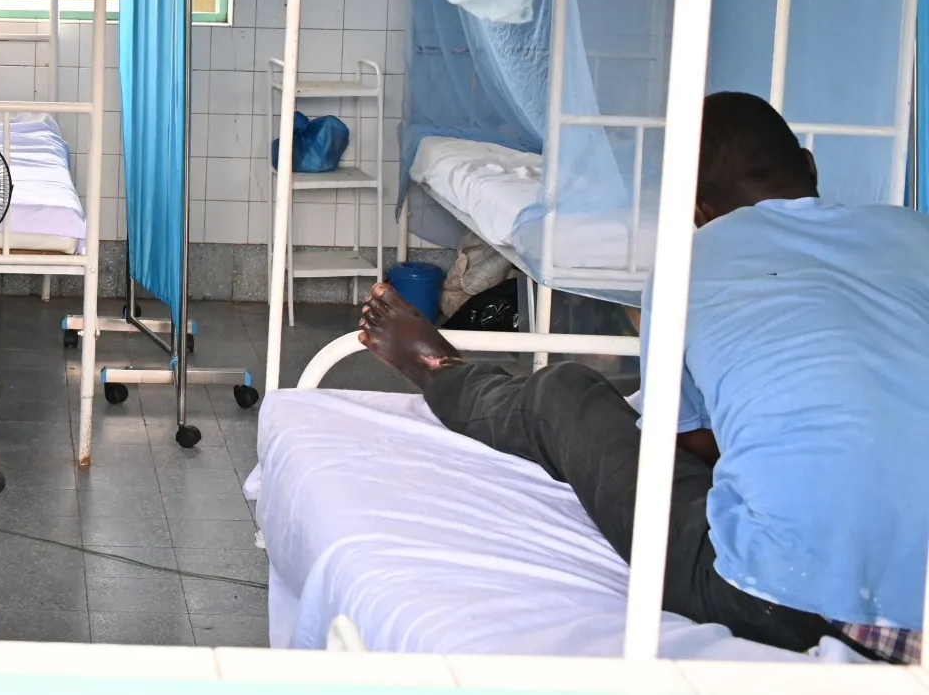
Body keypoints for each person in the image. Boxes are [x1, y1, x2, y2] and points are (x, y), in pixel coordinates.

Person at [357, 91, 928, 663]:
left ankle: (438, 369)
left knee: (566, 393)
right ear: (809, 165)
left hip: (781, 598)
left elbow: (672, 443)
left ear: (696, 208)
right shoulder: (917, 232)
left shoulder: (688, 266)